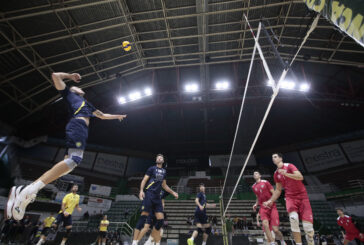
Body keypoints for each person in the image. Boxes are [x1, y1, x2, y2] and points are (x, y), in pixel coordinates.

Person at [6, 72, 127, 221]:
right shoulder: (69, 94)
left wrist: (117, 116)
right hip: (77, 125)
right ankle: (29, 190)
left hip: (80, 130)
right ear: (73, 90)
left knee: (68, 166)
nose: (81, 88)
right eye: (77, 87)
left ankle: (27, 192)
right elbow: (55, 76)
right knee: (74, 160)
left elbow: (102, 115)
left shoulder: (87, 105)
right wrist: (69, 77)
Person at [264, 153, 315, 245]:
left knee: (308, 228)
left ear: (280, 158)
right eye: (272, 157)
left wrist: (286, 174)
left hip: (302, 197)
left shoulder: (290, 166)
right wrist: (270, 200)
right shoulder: (276, 174)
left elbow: (300, 177)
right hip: (290, 197)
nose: (273, 159)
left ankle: (310, 240)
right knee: (293, 219)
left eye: (275, 157)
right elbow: (278, 190)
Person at [132, 154, 178, 245]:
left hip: (157, 198)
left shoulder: (164, 171)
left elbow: (164, 186)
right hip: (149, 194)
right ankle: (135, 241)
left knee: (161, 220)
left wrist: (173, 192)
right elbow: (144, 180)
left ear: (163, 161)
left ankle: (150, 239)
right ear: (156, 160)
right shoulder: (151, 168)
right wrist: (141, 190)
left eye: (161, 158)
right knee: (144, 215)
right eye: (158, 157)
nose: (159, 158)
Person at [252, 171, 285, 245]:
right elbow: (257, 197)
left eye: (256, 173)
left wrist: (270, 201)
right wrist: (256, 204)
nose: (255, 175)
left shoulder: (266, 182)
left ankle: (282, 240)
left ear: (260, 175)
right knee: (265, 225)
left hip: (272, 206)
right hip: (262, 207)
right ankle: (272, 242)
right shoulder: (253, 187)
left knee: (275, 230)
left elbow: (274, 193)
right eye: (254, 174)